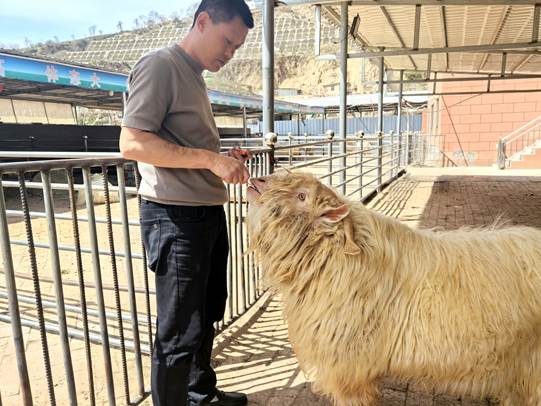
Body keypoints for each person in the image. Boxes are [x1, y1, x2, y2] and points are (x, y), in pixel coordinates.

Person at [119, 1, 254, 405]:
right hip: (175, 216)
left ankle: (200, 393)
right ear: (203, 21)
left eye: (237, 47)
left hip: (205, 211)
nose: (230, 53)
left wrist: (221, 158)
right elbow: (132, 143)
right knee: (178, 331)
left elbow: (183, 145)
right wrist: (211, 161)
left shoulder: (194, 76)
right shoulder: (160, 65)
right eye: (227, 41)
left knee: (206, 312)